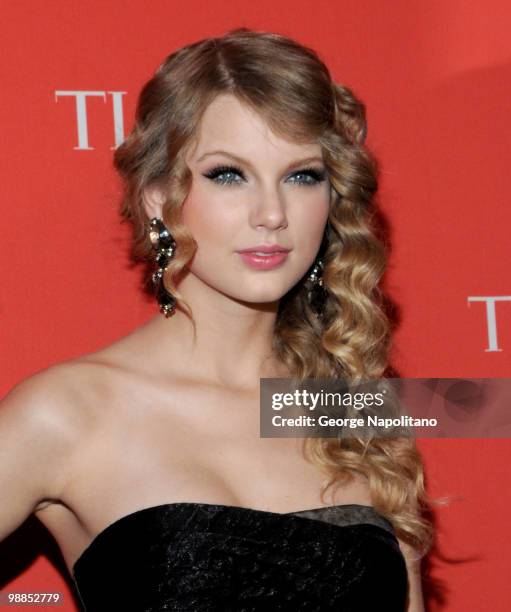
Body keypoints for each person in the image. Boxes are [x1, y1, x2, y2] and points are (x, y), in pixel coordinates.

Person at [0, 27, 436, 611]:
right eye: (228, 174)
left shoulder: (353, 409)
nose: (272, 213)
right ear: (159, 195)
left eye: (302, 175)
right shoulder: (67, 412)